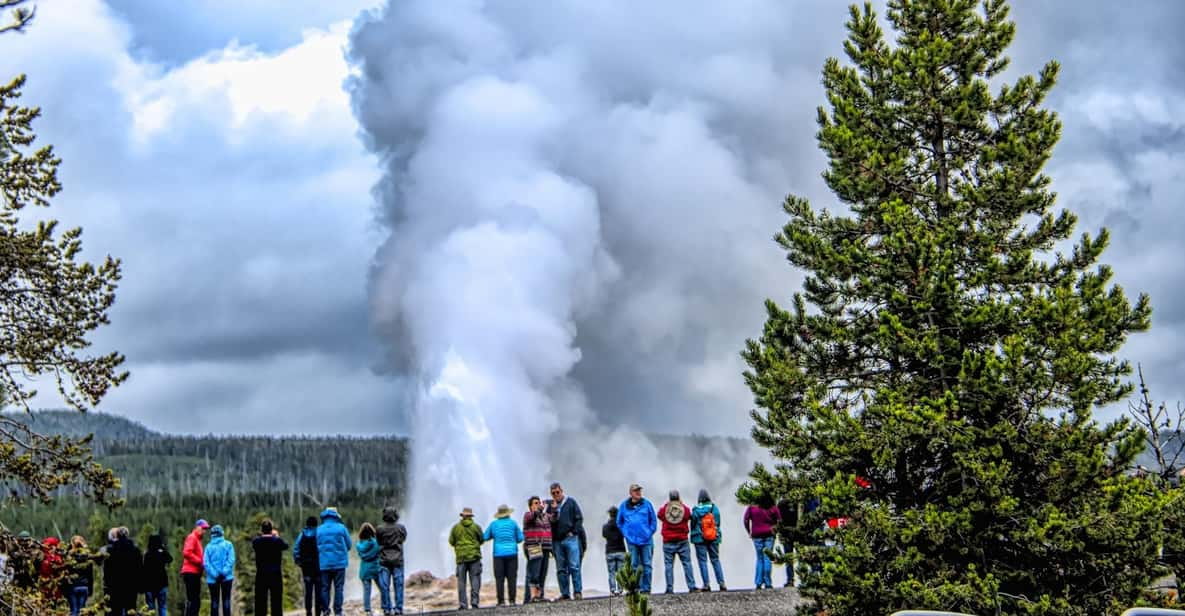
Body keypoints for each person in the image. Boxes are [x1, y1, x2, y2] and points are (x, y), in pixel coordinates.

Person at [546, 482, 584, 601]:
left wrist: (574, 531)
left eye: (557, 492)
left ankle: (577, 591)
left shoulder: (571, 502)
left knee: (574, 566)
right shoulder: (550, 506)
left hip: (570, 538)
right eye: (553, 493)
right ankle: (565, 593)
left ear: (562, 491)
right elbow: (548, 522)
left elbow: (579, 518)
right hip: (557, 541)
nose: (556, 495)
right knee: (561, 569)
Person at [617, 484, 657, 594]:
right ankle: (636, 588)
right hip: (632, 541)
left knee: (647, 564)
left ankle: (646, 588)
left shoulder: (647, 504)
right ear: (630, 493)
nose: (638, 492)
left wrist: (649, 532)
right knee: (634, 565)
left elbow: (653, 520)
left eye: (639, 490)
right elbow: (619, 522)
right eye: (636, 491)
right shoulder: (624, 506)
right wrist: (626, 534)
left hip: (646, 540)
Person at [483, 504, 524, 607]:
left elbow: (485, 537)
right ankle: (512, 601)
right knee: (512, 578)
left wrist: (494, 536)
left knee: (499, 578)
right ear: (508, 513)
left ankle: (501, 601)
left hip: (498, 554)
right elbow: (520, 538)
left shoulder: (493, 524)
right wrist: (512, 540)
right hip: (512, 553)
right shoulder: (513, 523)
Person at [658, 490, 697, 594]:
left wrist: (667, 504)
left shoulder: (665, 509)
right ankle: (691, 586)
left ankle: (669, 588)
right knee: (687, 563)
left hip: (668, 541)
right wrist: (681, 503)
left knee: (669, 565)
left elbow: (659, 515)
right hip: (682, 541)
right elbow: (689, 515)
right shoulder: (684, 509)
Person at [317, 507, 352, 616]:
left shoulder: (319, 529)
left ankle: (325, 611)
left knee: (324, 588)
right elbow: (349, 545)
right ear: (336, 516)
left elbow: (315, 547)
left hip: (324, 563)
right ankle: (338, 611)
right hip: (339, 564)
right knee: (339, 588)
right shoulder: (341, 528)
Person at [690, 489, 726, 592]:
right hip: (713, 538)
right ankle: (721, 583)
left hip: (699, 539)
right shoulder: (714, 508)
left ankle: (706, 584)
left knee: (703, 561)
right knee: (715, 560)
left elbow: (692, 525)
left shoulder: (696, 510)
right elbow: (717, 523)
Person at [448, 507, 483, 610]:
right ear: (471, 516)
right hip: (474, 557)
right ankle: (474, 602)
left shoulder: (456, 528)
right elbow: (481, 540)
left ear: (462, 516)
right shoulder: (476, 527)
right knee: (475, 579)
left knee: (461, 582)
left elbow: (451, 541)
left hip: (461, 558)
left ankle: (463, 604)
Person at [743, 495, 781, 589]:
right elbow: (779, 520)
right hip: (769, 534)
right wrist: (775, 530)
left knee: (759, 558)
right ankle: (768, 582)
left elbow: (746, 519)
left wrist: (749, 531)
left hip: (756, 535)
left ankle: (758, 582)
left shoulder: (752, 508)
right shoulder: (773, 508)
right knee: (767, 558)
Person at [252, 519, 288, 616]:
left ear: (262, 530)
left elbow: (254, 542)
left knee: (260, 600)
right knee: (276, 600)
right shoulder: (277, 541)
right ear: (271, 529)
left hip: (261, 574)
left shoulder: (257, 542)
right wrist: (276, 536)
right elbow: (286, 546)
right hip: (275, 574)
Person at [376, 507, 407, 616]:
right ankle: (398, 608)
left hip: (384, 560)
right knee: (398, 585)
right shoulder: (401, 528)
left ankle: (387, 608)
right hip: (398, 560)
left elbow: (378, 541)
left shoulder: (379, 529)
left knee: (384, 586)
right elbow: (403, 539)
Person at [106, 527, 143, 616]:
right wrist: (140, 585)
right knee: (130, 609)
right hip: (131, 585)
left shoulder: (111, 549)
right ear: (127, 535)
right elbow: (140, 569)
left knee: (116, 610)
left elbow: (108, 569)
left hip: (115, 585)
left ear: (117, 535)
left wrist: (107, 583)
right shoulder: (135, 550)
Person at [522, 496, 552, 603]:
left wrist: (553, 507)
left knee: (543, 572)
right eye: (535, 503)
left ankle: (539, 595)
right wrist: (539, 510)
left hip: (546, 546)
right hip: (534, 545)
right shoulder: (528, 515)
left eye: (539, 503)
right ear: (530, 506)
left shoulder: (545, 516)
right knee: (534, 572)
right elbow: (532, 516)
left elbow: (555, 518)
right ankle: (531, 596)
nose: (538, 505)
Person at [203, 524, 235, 616]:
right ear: (222, 533)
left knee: (214, 602)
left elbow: (206, 563)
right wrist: (224, 573)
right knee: (226, 601)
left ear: (212, 534)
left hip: (212, 579)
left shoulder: (208, 547)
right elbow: (231, 560)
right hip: (227, 578)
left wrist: (215, 574)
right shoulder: (228, 544)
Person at [292, 516, 322, 616]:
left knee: (308, 591)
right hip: (318, 566)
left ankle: (308, 611)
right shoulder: (319, 534)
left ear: (307, 524)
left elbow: (296, 549)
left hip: (306, 567)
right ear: (316, 524)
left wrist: (298, 561)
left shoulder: (302, 534)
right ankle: (318, 612)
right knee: (318, 591)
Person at [180, 519, 210, 616]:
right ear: (197, 527)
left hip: (195, 573)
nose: (204, 531)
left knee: (194, 600)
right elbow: (186, 552)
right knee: (194, 600)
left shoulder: (197, 539)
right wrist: (200, 561)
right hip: (191, 572)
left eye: (205, 529)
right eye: (203, 528)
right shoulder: (192, 537)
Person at [142, 533, 173, 616]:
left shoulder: (147, 554)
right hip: (162, 584)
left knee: (150, 608)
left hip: (149, 585)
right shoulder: (161, 554)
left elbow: (144, 570)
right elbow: (170, 559)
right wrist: (163, 548)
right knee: (162, 607)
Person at [63, 536, 94, 616]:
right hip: (84, 585)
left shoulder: (69, 556)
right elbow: (90, 574)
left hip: (72, 586)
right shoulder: (87, 556)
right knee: (82, 610)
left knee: (73, 610)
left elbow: (66, 572)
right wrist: (90, 589)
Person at [356, 523, 381, 616]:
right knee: (383, 588)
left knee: (367, 591)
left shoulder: (359, 545)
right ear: (372, 532)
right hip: (375, 569)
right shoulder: (376, 543)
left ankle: (367, 610)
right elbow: (378, 553)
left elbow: (362, 556)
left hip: (365, 570)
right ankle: (387, 606)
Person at [603, 506, 626, 596]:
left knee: (611, 572)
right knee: (620, 571)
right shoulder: (621, 526)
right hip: (620, 550)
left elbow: (604, 535)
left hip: (610, 551)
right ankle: (620, 589)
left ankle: (612, 589)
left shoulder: (605, 527)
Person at [37, 535, 63, 602]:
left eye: (52, 547)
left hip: (55, 583)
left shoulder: (58, 557)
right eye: (50, 547)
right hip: (45, 582)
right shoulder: (42, 556)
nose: (51, 549)